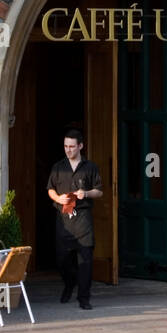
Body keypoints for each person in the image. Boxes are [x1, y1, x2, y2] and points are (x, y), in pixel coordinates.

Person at [47, 128, 103, 310]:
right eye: (65, 146)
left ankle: (84, 298)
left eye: (72, 146)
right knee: (61, 259)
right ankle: (70, 283)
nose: (68, 150)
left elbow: (99, 191)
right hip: (63, 218)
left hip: (83, 219)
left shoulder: (90, 167)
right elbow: (50, 189)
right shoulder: (58, 167)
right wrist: (57, 198)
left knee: (85, 260)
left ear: (80, 146)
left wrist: (85, 193)